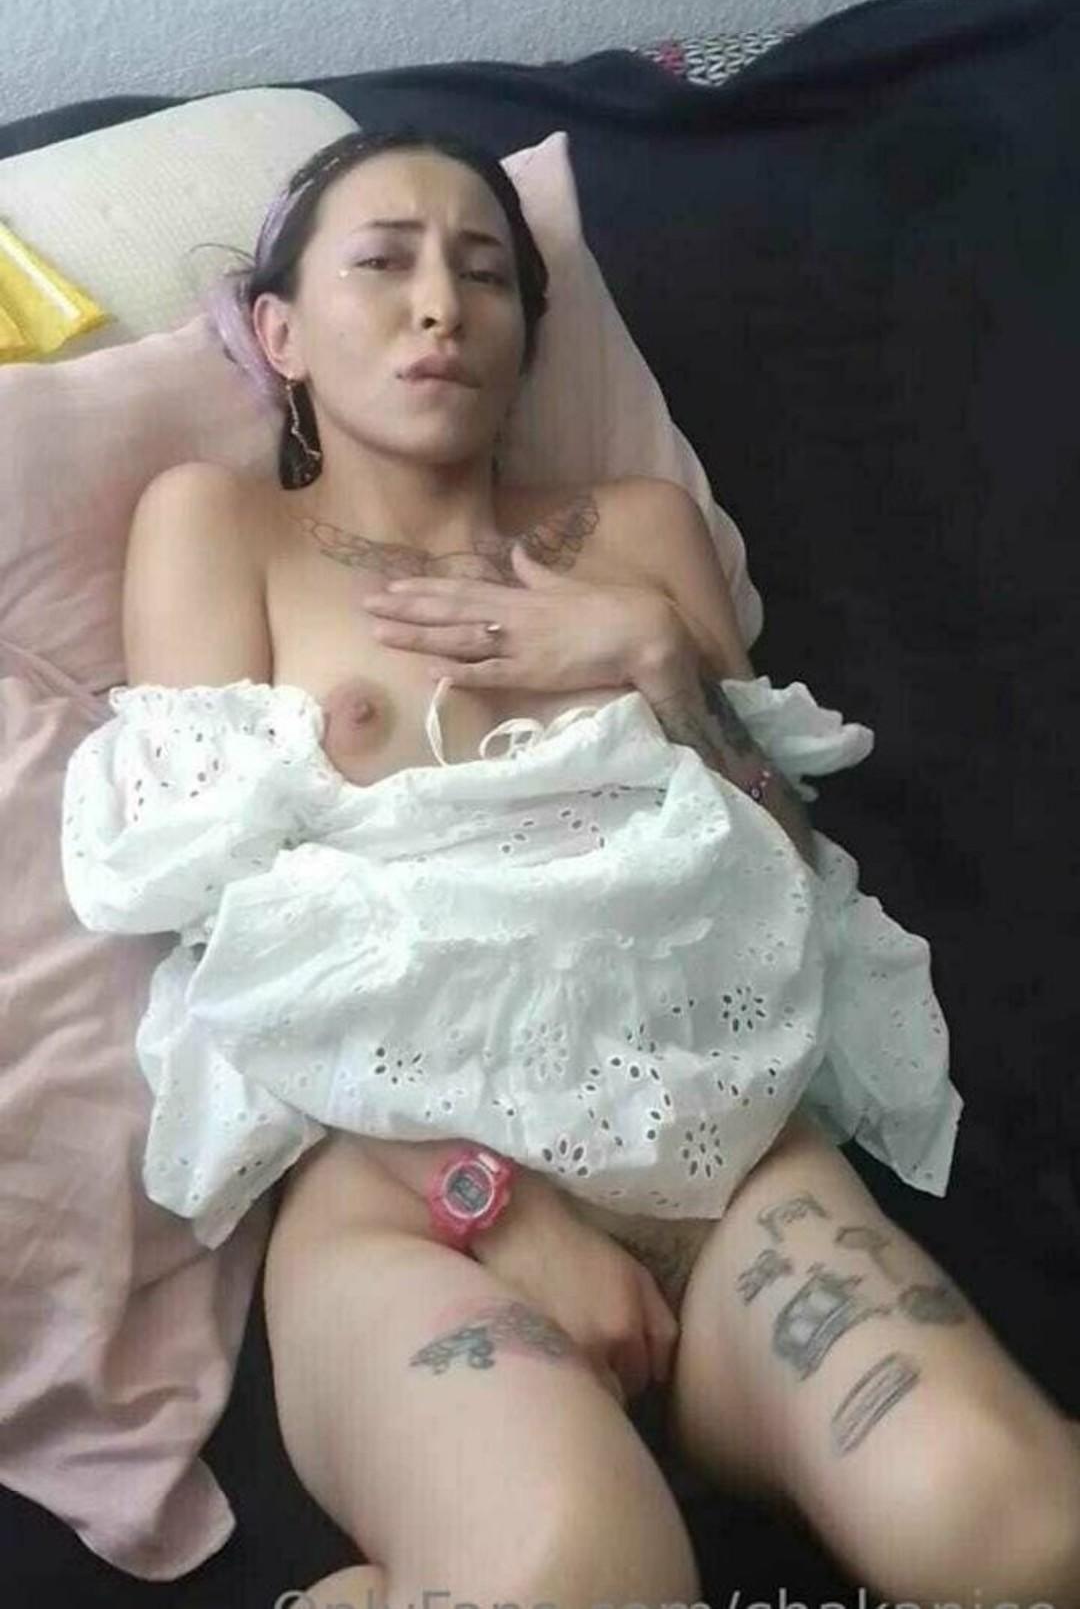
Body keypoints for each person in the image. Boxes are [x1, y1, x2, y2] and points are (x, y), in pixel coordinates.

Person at [59, 129, 1080, 1607]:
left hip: (729, 1160)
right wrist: (503, 1208)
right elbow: (211, 937)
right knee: (578, 1576)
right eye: (383, 261)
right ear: (278, 333)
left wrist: (654, 653)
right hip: (409, 1202)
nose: (440, 303)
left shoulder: (645, 532)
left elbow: (790, 867)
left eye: (485, 272)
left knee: (1023, 1528)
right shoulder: (220, 528)